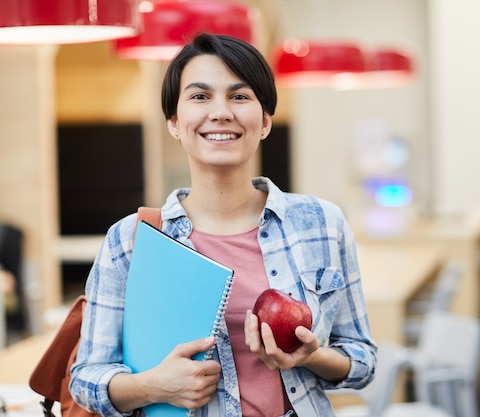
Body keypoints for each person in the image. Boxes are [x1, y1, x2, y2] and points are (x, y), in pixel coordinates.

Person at [69, 32, 377, 417]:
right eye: (200, 97)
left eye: (239, 96)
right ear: (175, 122)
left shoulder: (322, 224)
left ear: (265, 121)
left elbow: (362, 360)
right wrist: (152, 386)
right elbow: (85, 378)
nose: (221, 112)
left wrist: (311, 357)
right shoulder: (133, 240)